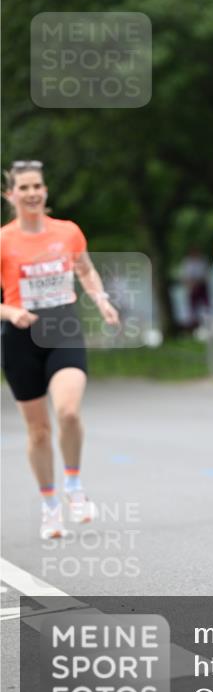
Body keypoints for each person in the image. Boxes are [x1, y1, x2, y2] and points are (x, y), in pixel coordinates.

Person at [0, 161, 119, 540]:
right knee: (38, 431)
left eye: (38, 185)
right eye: (25, 187)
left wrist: (101, 300)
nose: (33, 192)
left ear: (45, 191)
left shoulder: (67, 232)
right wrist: (10, 310)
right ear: (11, 195)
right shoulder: (4, 240)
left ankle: (73, 486)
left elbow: (84, 270)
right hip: (20, 337)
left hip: (63, 328)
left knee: (68, 411)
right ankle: (50, 506)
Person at [179, 248, 211, 330]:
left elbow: (205, 276)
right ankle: (194, 324)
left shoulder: (202, 261)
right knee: (193, 308)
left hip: (201, 286)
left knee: (205, 307)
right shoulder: (187, 262)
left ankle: (206, 322)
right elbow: (185, 277)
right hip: (192, 288)